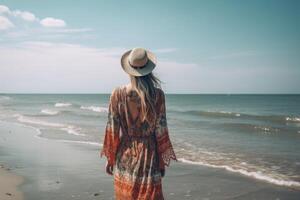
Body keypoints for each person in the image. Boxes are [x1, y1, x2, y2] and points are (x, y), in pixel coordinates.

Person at [100, 47, 177, 200]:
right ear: (148, 69)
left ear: (129, 70)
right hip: (150, 156)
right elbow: (161, 131)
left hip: (125, 155)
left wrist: (111, 159)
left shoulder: (117, 94)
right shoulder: (158, 96)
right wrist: (161, 161)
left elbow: (112, 130)